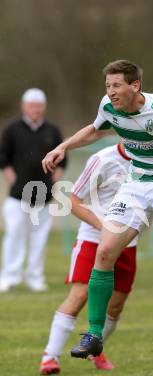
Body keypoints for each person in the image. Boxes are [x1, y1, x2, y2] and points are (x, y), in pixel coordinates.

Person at [42, 59, 153, 358]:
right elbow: (94, 131)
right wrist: (63, 147)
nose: (111, 92)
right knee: (104, 252)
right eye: (108, 86)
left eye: (117, 85)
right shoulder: (109, 107)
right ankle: (93, 335)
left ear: (135, 86)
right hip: (138, 181)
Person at [40, 144, 137, 375]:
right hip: (93, 239)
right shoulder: (102, 159)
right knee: (80, 294)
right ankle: (50, 358)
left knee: (115, 306)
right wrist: (103, 227)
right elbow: (72, 200)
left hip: (128, 243)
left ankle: (95, 348)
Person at [0, 88, 67, 292]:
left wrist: (54, 180)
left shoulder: (52, 131)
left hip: (44, 197)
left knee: (39, 238)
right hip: (17, 196)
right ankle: (9, 276)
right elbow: (3, 157)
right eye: (31, 105)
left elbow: (62, 159)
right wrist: (12, 178)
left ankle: (35, 277)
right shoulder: (12, 129)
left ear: (43, 107)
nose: (35, 109)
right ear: (24, 106)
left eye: (38, 106)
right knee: (14, 235)